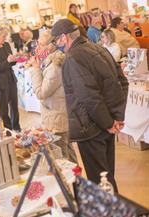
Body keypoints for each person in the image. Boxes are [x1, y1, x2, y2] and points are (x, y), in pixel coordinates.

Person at [51, 19, 128, 192]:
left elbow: (89, 97)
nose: (56, 44)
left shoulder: (72, 58)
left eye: (56, 40)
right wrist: (116, 118)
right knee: (106, 177)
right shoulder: (99, 48)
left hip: (91, 127)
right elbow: (122, 82)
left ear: (64, 38)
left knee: (100, 181)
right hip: (104, 125)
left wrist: (110, 122)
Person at [30, 30, 78, 163]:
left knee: (62, 157)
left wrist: (35, 69)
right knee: (67, 152)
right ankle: (76, 181)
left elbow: (41, 93)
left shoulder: (55, 67)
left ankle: (72, 182)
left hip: (56, 118)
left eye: (41, 45)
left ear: (51, 45)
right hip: (57, 114)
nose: (38, 49)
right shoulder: (51, 62)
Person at [0, 26, 21, 131]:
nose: (5, 38)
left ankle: (16, 128)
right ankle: (8, 130)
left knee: (14, 106)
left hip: (10, 79)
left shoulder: (6, 45)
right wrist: (8, 61)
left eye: (6, 35)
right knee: (3, 109)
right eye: (3, 36)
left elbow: (10, 63)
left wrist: (15, 58)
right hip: (0, 82)